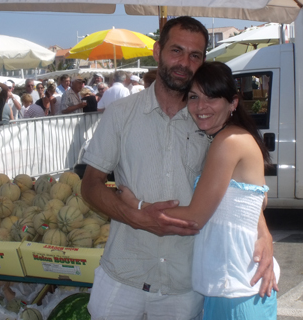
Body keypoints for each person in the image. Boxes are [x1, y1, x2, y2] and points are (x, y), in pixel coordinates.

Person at [80, 16, 275, 320]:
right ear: (157, 51)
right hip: (123, 276)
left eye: (195, 55)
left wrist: (262, 232)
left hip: (185, 285)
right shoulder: (120, 114)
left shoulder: (209, 121)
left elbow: (238, 191)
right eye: (177, 51)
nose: (184, 62)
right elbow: (90, 185)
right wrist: (136, 216)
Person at [118, 61, 280, 319]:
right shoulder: (225, 138)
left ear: (233, 102)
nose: (201, 107)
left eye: (212, 97)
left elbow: (196, 217)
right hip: (230, 285)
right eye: (194, 97)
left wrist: (136, 206)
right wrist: (265, 234)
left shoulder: (229, 142)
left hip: (237, 289)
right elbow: (255, 202)